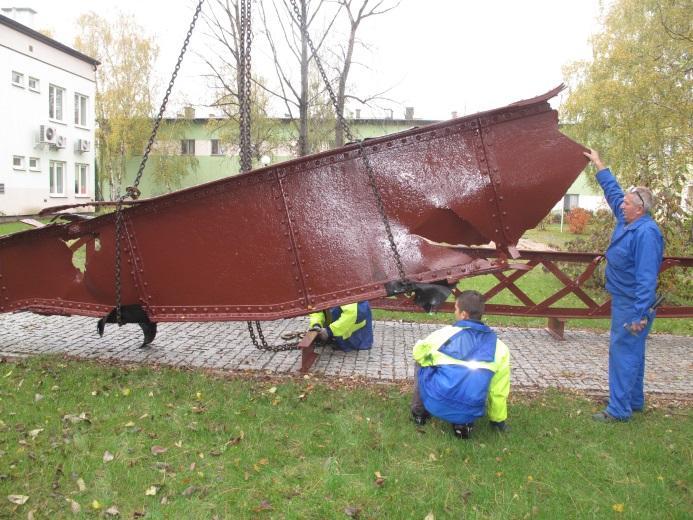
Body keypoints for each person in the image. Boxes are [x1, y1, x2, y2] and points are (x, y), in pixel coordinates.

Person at [584, 149, 664, 422]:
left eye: (627, 204)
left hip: (633, 302)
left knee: (623, 353)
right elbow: (614, 193)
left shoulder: (646, 234)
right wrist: (599, 165)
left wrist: (640, 314)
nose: (622, 205)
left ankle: (618, 410)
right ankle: (634, 400)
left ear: (640, 209)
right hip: (626, 299)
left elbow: (646, 278)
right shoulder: (628, 219)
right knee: (634, 351)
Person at [410, 290, 510, 438]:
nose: (454, 312)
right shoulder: (500, 347)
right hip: (471, 409)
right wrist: (498, 420)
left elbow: (418, 353)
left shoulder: (443, 335)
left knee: (421, 363)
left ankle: (419, 414)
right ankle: (463, 423)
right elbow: (498, 390)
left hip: (437, 402)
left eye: (455, 309)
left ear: (464, 314)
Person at [308, 301, 373, 352]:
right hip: (341, 323)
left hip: (356, 331)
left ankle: (338, 339)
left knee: (337, 310)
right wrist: (316, 324)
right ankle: (334, 337)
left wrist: (329, 331)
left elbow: (351, 314)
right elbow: (317, 309)